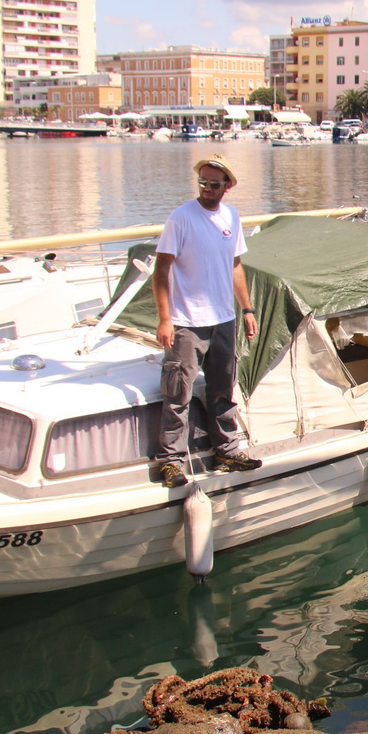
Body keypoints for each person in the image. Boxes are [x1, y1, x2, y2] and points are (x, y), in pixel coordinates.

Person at [151, 156, 262, 488]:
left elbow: (236, 266)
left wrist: (247, 309)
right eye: (203, 182)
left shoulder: (231, 216)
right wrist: (165, 319)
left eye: (214, 184)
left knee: (223, 389)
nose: (208, 189)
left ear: (227, 186)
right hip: (187, 322)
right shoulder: (181, 219)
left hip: (224, 319)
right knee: (177, 393)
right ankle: (171, 461)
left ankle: (226, 451)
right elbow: (161, 271)